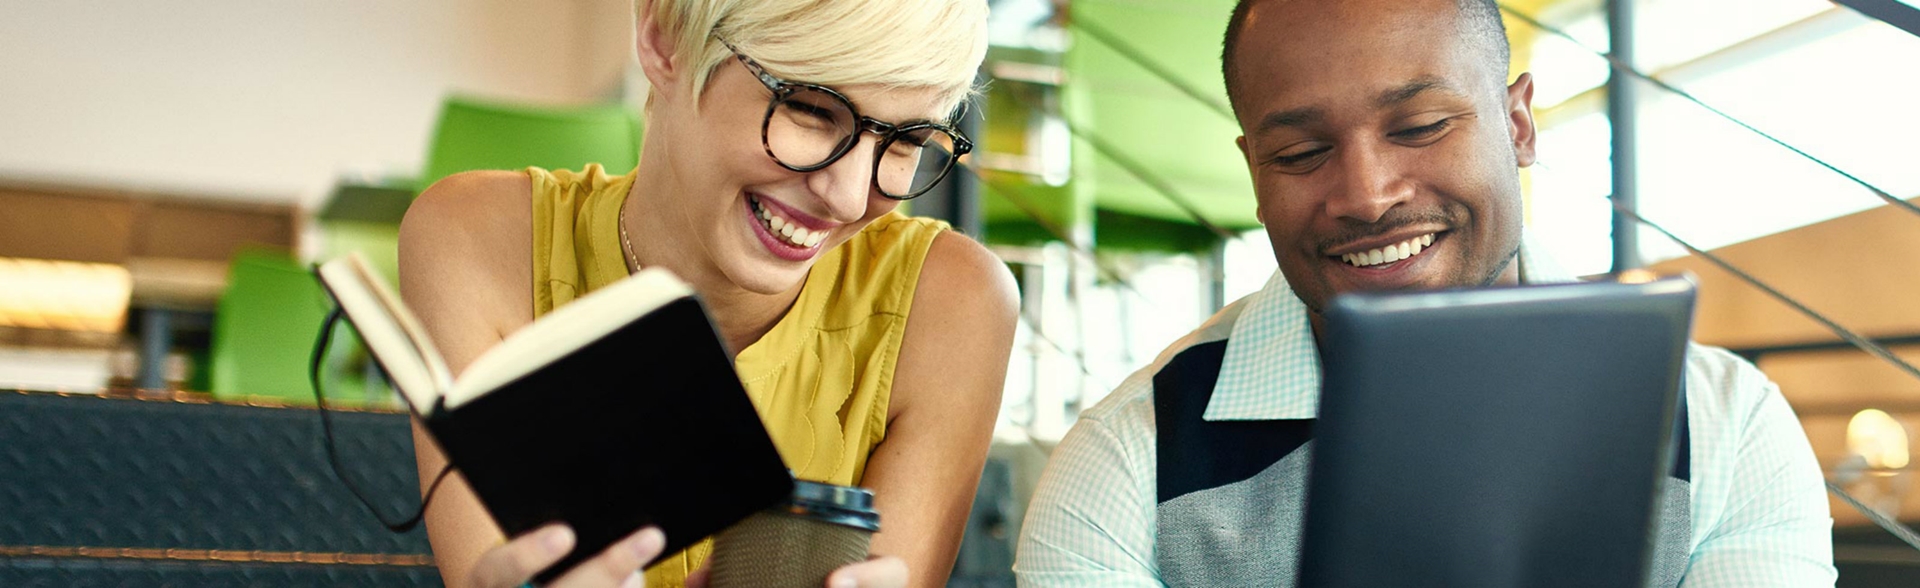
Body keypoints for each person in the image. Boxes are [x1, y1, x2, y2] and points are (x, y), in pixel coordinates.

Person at [1014, 0, 1835, 586]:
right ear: (1253, 176)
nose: (1367, 194)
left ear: (1518, 127)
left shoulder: (1725, 425)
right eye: (1300, 152)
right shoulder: (1127, 463)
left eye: (1419, 127)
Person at [397, 1, 1018, 587]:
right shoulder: (476, 241)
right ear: (664, 37)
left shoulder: (952, 304)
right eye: (809, 109)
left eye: (907, 141)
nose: (850, 197)